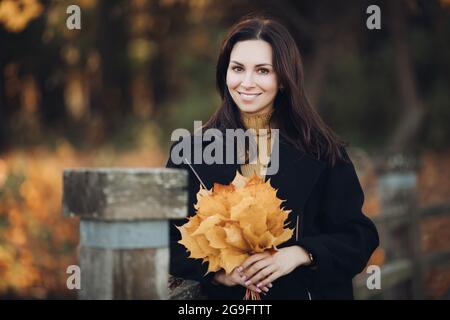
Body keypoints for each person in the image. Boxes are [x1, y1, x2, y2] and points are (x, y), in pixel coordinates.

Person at [166, 16, 379, 300]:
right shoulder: (189, 152)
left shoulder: (322, 150)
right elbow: (165, 239)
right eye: (238, 69)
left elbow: (358, 237)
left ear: (283, 79)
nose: (247, 82)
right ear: (224, 73)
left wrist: (300, 254)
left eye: (263, 71)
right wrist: (218, 272)